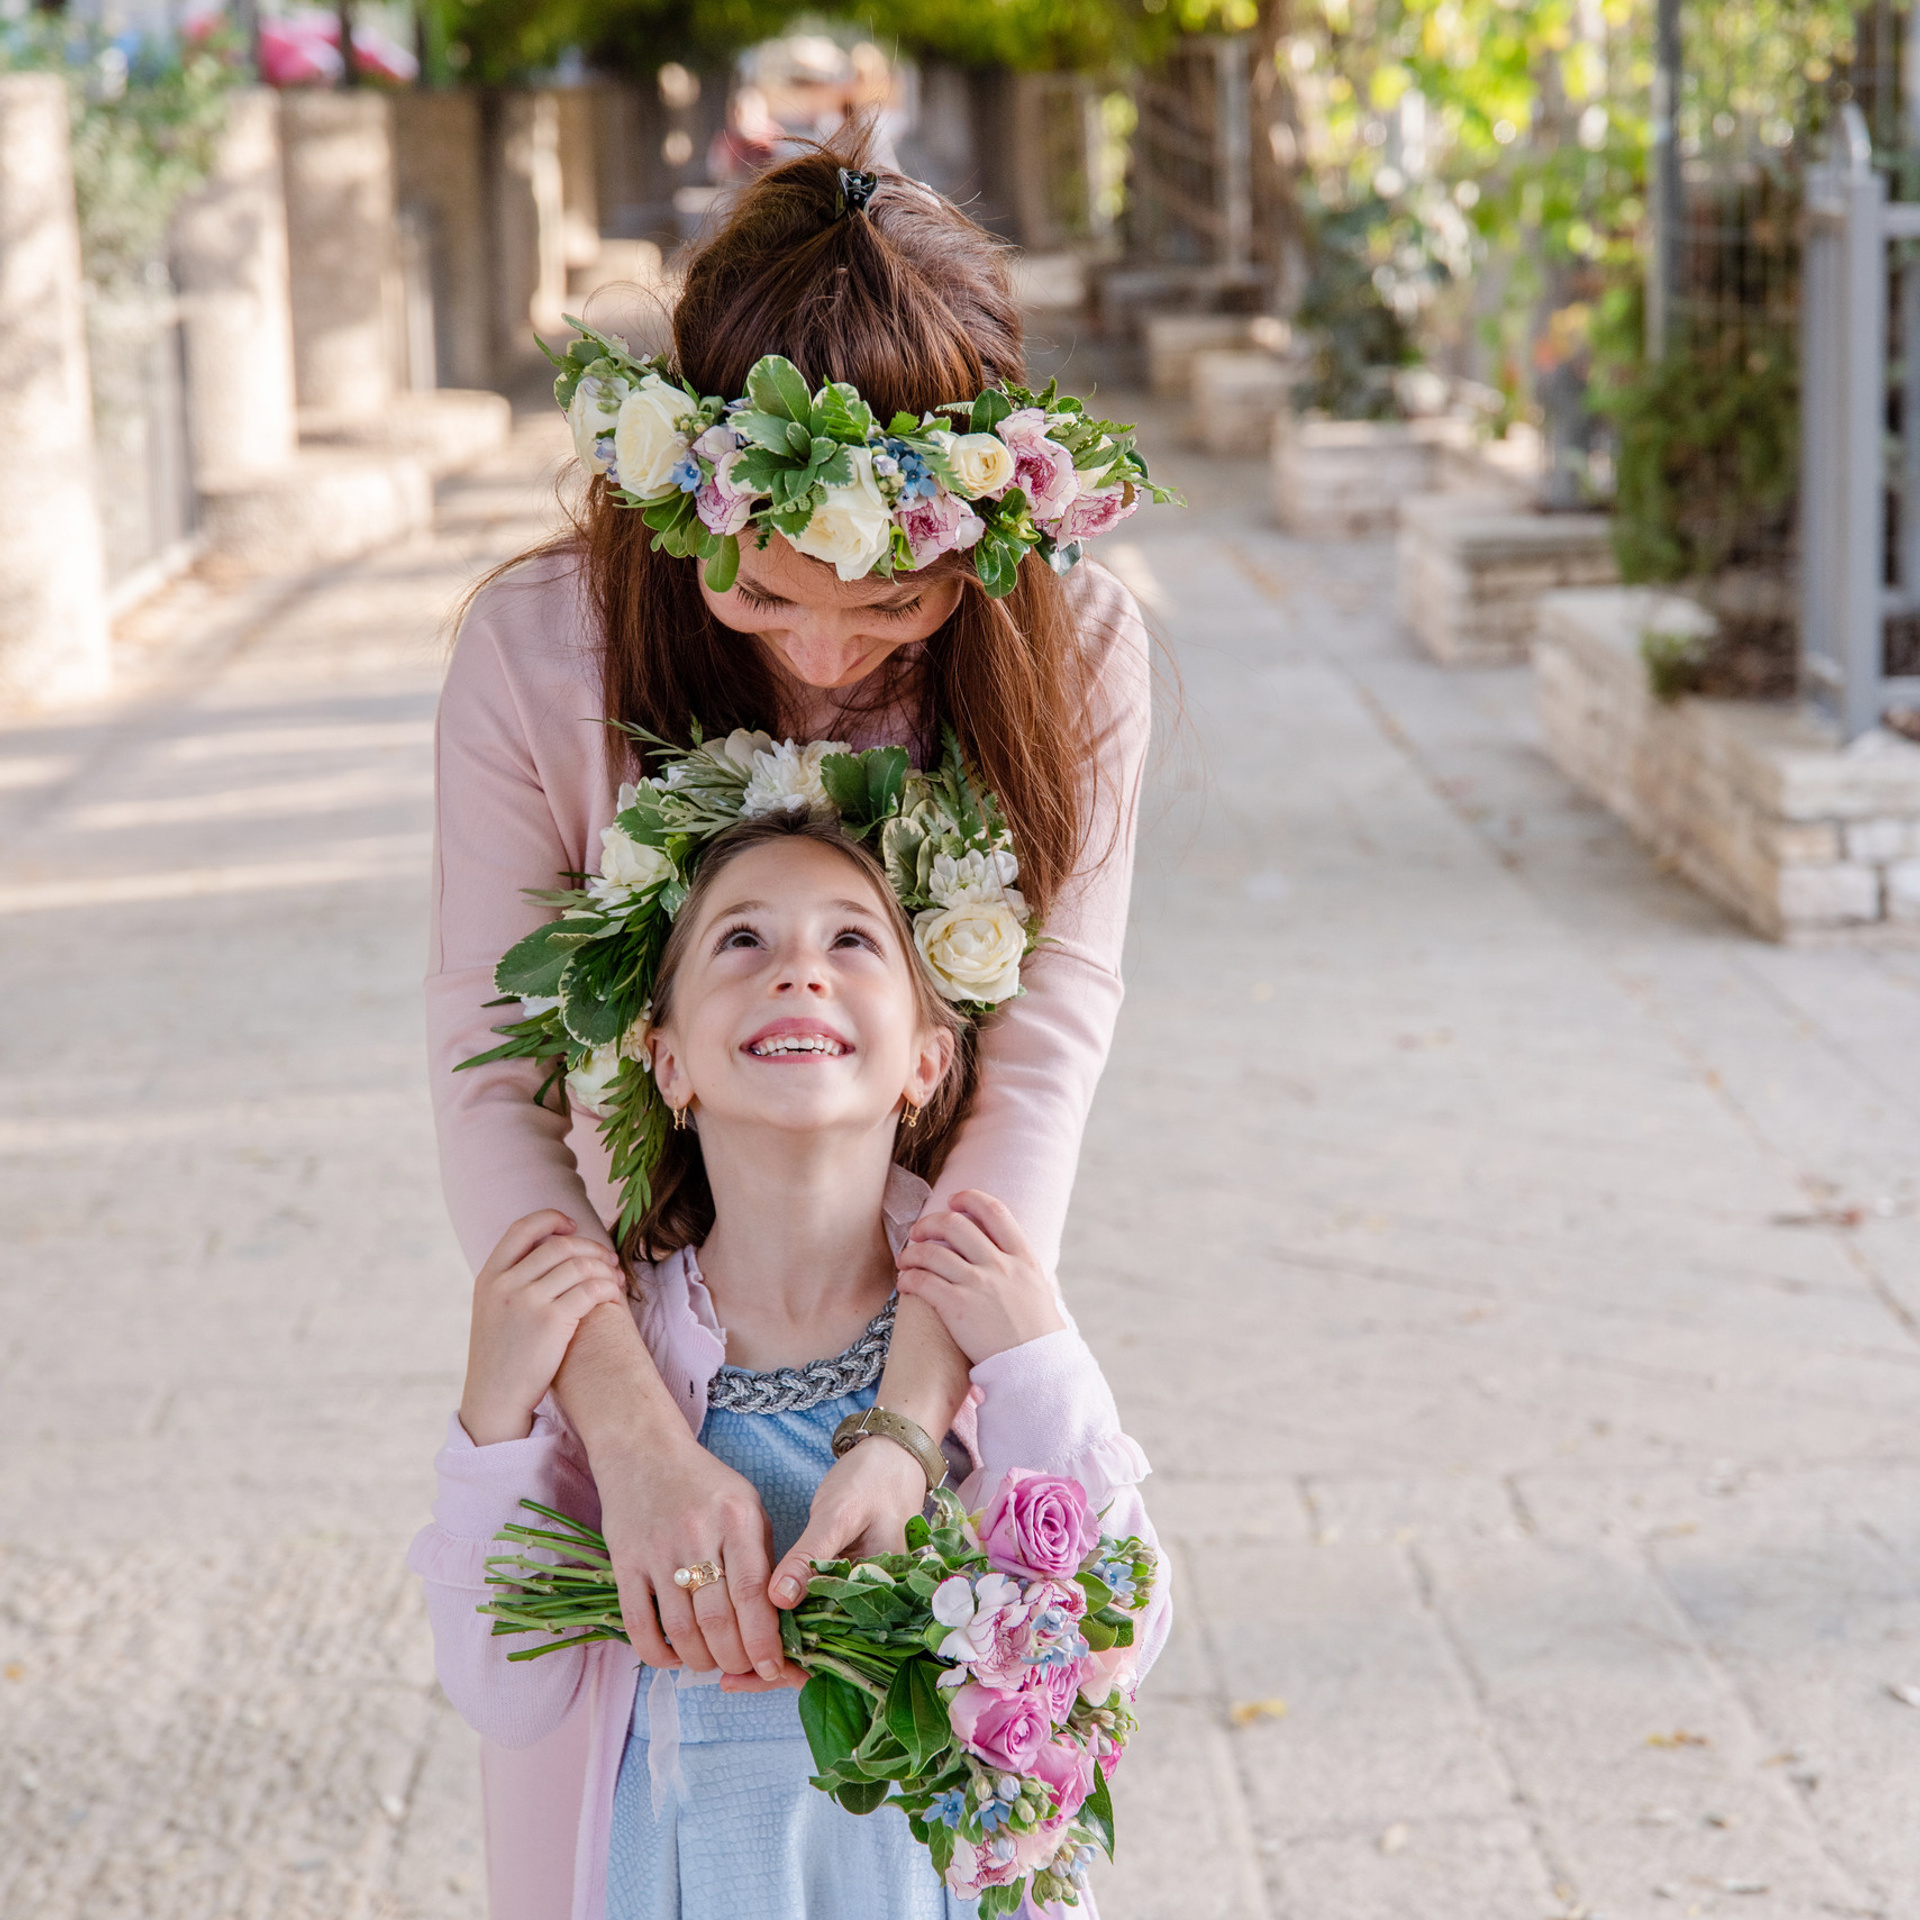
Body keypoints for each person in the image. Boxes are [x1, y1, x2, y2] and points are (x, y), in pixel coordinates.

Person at [428, 129, 1153, 1911]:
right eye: (763, 593)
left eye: (892, 602)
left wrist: (912, 1426)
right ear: (676, 501)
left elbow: (1041, 1052)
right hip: (646, 1321)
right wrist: (628, 1429)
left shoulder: (1076, 652)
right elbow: (490, 1075)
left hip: (921, 1291)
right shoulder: (537, 651)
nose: (827, 659)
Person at [411, 816, 1166, 1919]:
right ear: (666, 1060)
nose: (799, 968)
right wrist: (491, 1421)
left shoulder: (980, 1322)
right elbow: (505, 1691)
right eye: (742, 942)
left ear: (926, 1060)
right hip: (686, 1880)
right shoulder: (617, 1353)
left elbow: (1125, 1636)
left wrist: (1043, 1360)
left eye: (852, 942)